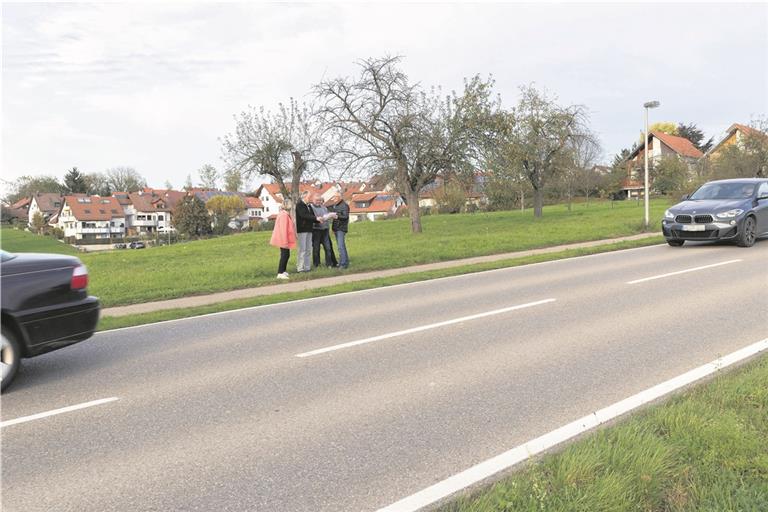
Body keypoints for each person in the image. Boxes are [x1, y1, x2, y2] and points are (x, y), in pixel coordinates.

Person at [269, 199, 296, 280]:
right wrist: (285, 242)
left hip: (285, 238)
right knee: (284, 255)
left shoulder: (285, 214)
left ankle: (283, 270)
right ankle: (280, 273)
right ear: (286, 205)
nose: (292, 206)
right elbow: (283, 229)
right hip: (283, 238)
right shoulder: (284, 215)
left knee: (286, 254)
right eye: (290, 204)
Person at [310, 194, 338, 268]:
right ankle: (317, 265)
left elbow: (327, 216)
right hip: (316, 230)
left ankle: (329, 264)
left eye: (320, 200)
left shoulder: (324, 208)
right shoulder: (311, 208)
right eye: (317, 200)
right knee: (316, 248)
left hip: (325, 229)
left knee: (328, 248)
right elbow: (311, 218)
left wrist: (329, 216)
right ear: (313, 200)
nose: (318, 202)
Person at [294, 191, 315, 272]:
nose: (310, 198)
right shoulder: (299, 205)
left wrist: (319, 219)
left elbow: (312, 216)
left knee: (309, 249)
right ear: (304, 197)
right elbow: (304, 215)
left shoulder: (309, 206)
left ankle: (307, 267)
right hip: (302, 230)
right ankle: (300, 268)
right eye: (309, 197)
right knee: (302, 249)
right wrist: (315, 218)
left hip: (309, 229)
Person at [329, 194, 350, 268]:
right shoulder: (336, 206)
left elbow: (345, 216)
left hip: (341, 228)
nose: (333, 199)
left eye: (334, 198)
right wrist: (333, 228)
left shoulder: (344, 205)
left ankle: (343, 264)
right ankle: (344, 262)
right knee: (340, 246)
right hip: (336, 228)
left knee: (341, 246)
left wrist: (337, 216)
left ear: (339, 198)